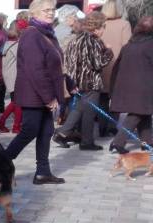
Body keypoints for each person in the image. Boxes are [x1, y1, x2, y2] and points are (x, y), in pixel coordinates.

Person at [4, 0, 66, 185]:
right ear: (34, 13)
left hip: (43, 93)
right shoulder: (32, 35)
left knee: (46, 131)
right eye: (46, 10)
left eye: (52, 10)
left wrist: (69, 83)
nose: (50, 13)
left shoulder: (46, 33)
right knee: (29, 130)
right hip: (34, 94)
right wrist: (48, 98)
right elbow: (35, 70)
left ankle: (43, 172)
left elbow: (54, 65)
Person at [53, 12, 113, 151]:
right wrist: (109, 51)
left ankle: (71, 135)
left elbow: (68, 60)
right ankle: (82, 139)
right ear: (97, 28)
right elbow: (98, 63)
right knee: (89, 111)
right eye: (103, 27)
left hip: (76, 81)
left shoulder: (76, 39)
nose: (104, 30)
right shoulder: (94, 41)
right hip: (91, 81)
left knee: (81, 108)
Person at [109, 16, 153, 154]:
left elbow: (117, 67)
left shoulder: (128, 45)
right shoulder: (150, 45)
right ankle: (118, 141)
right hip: (144, 86)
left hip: (127, 85)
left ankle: (147, 142)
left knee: (144, 112)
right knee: (136, 114)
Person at [99, 0, 132, 137]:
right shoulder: (124, 24)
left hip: (101, 65)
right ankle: (112, 126)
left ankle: (102, 127)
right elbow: (127, 47)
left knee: (102, 99)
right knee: (116, 100)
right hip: (117, 66)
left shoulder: (100, 24)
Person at [0, 19, 28, 134]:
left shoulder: (7, 43)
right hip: (15, 77)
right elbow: (24, 59)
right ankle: (15, 126)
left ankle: (2, 122)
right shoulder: (16, 45)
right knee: (18, 102)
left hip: (9, 76)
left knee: (16, 102)